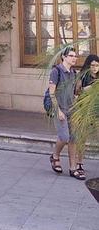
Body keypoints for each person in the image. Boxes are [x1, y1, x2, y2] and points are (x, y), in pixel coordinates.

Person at [48, 46, 82, 180]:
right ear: (64, 57)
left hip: (72, 109)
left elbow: (74, 92)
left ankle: (73, 168)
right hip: (60, 109)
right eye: (71, 56)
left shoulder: (74, 73)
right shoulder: (56, 71)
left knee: (73, 139)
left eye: (75, 56)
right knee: (64, 137)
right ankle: (55, 155)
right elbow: (52, 93)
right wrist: (58, 111)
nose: (75, 58)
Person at [74, 53, 99, 178]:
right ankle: (79, 163)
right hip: (83, 110)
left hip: (96, 110)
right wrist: (91, 87)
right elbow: (77, 91)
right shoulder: (82, 76)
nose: (95, 67)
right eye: (92, 65)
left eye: (97, 65)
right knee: (82, 138)